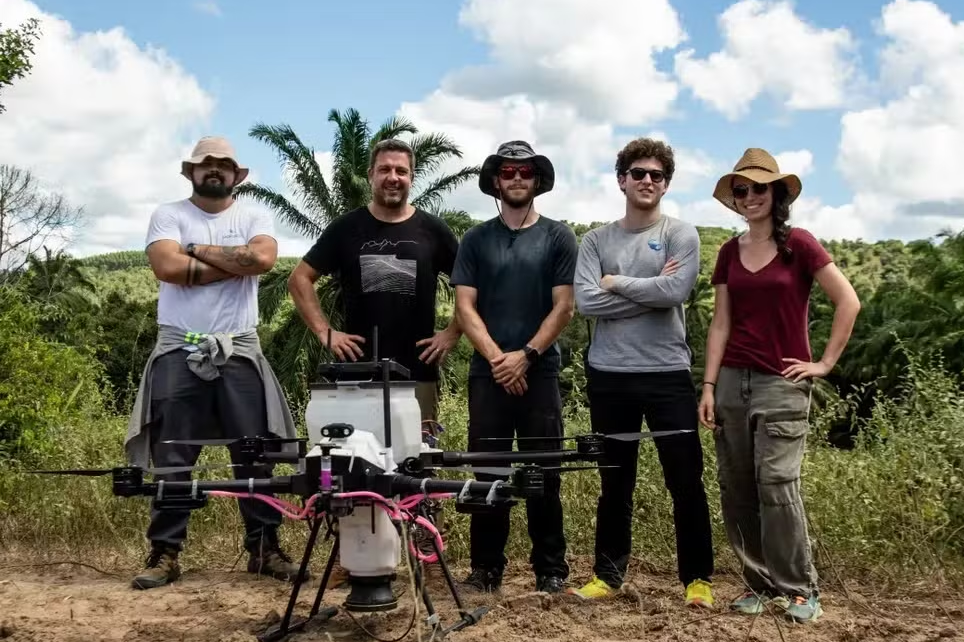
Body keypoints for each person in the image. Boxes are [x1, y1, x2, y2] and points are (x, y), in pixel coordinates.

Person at [125, 136, 303, 590]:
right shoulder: (169, 214)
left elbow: (262, 259)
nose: (215, 171)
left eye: (224, 165)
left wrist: (195, 250)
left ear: (237, 176)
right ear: (191, 172)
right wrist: (234, 262)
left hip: (239, 349)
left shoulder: (253, 215)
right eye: (207, 165)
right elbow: (165, 267)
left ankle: (264, 548)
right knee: (173, 455)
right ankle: (165, 553)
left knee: (254, 454)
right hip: (178, 350)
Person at [699, 148, 860, 623]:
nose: (750, 197)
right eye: (742, 190)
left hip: (782, 382)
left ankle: (799, 589)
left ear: (777, 193)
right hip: (731, 380)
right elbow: (720, 324)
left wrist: (824, 363)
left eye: (759, 188)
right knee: (737, 485)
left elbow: (847, 301)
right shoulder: (729, 252)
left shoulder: (801, 245)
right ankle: (759, 585)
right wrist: (708, 386)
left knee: (777, 484)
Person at [287, 138, 462, 555]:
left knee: (418, 456)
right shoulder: (348, 229)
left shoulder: (432, 230)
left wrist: (451, 334)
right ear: (371, 175)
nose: (393, 177)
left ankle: (423, 539)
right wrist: (326, 334)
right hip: (356, 374)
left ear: (412, 177)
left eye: (401, 170)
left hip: (417, 369)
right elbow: (299, 280)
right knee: (356, 460)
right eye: (385, 169)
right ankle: (359, 547)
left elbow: (473, 289)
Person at [569, 137, 715, 608]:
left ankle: (697, 580)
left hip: (667, 372)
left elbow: (674, 291)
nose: (647, 181)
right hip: (609, 374)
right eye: (638, 173)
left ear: (666, 184)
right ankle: (608, 576)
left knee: (685, 479)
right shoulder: (595, 239)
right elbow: (586, 301)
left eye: (656, 175)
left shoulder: (681, 234)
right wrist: (644, 290)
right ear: (621, 180)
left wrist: (617, 283)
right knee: (615, 481)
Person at [450, 140, 577, 594]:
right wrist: (497, 359)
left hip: (539, 371)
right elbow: (465, 306)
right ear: (496, 181)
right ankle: (486, 568)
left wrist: (525, 356)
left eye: (525, 172)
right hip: (488, 374)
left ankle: (551, 569)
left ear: (537, 179)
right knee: (488, 473)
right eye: (508, 172)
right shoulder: (475, 239)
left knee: (545, 471)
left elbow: (564, 307)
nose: (517, 178)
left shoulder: (559, 236)